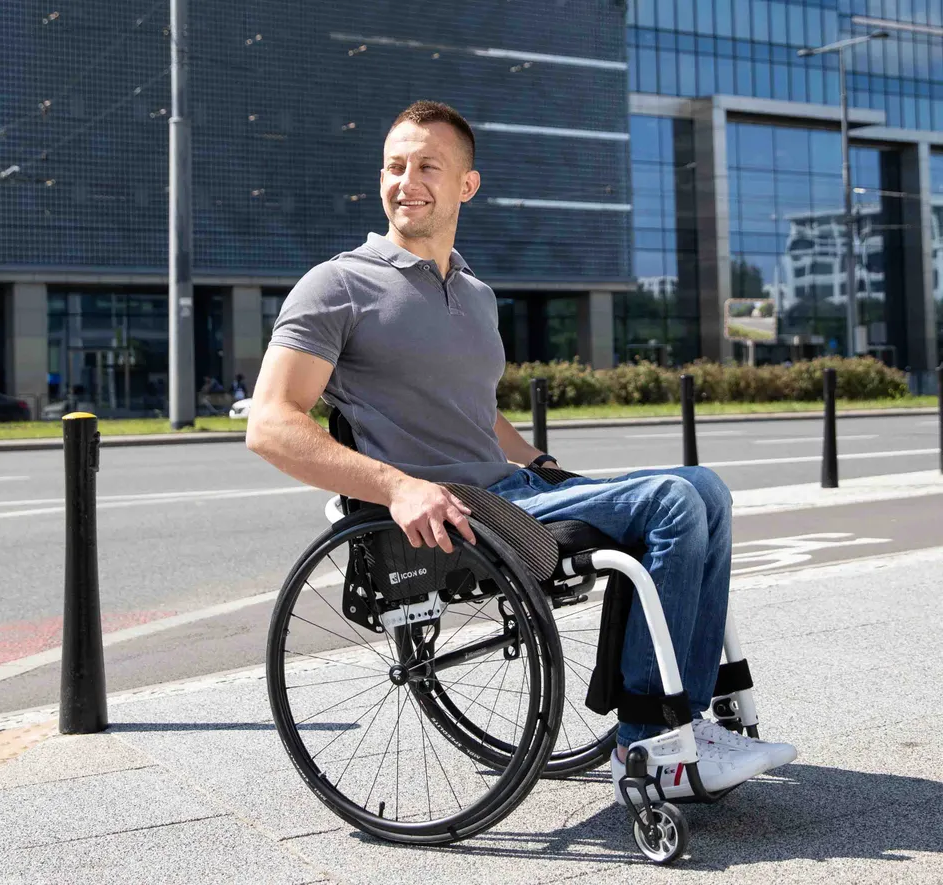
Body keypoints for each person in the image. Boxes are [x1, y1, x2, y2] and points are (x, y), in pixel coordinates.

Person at [245, 100, 796, 806]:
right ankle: (650, 739)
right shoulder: (339, 285)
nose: (405, 180)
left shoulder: (474, 293)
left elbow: (473, 407)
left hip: (514, 491)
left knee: (704, 487)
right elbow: (271, 423)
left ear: (466, 186)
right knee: (672, 500)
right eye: (394, 165)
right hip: (452, 510)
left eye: (427, 167)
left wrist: (538, 460)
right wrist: (397, 487)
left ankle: (684, 719)